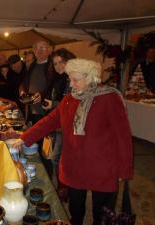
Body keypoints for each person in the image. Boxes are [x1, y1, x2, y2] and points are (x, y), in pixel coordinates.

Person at [13, 58, 133, 225]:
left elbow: (123, 136)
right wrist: (24, 138)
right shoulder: (69, 99)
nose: (71, 84)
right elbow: (49, 121)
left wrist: (124, 169)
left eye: (76, 80)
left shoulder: (109, 98)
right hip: (75, 164)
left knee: (102, 213)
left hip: (102, 166)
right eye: (70, 79)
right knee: (75, 210)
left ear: (90, 78)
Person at [42, 48, 76, 191]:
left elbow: (73, 102)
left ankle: (64, 188)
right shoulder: (60, 78)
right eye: (55, 64)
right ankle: (63, 187)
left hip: (69, 126)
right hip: (59, 123)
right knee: (55, 157)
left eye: (61, 62)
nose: (58, 66)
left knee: (57, 158)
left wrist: (54, 104)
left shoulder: (73, 78)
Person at [20, 40, 53, 177]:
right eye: (37, 48)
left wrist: (43, 95)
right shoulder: (32, 66)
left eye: (43, 47)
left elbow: (55, 87)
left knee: (47, 150)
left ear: (49, 50)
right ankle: (37, 174)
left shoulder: (52, 66)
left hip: (47, 114)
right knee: (35, 147)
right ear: (34, 50)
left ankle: (48, 178)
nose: (40, 50)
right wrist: (22, 90)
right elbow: (25, 83)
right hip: (33, 112)